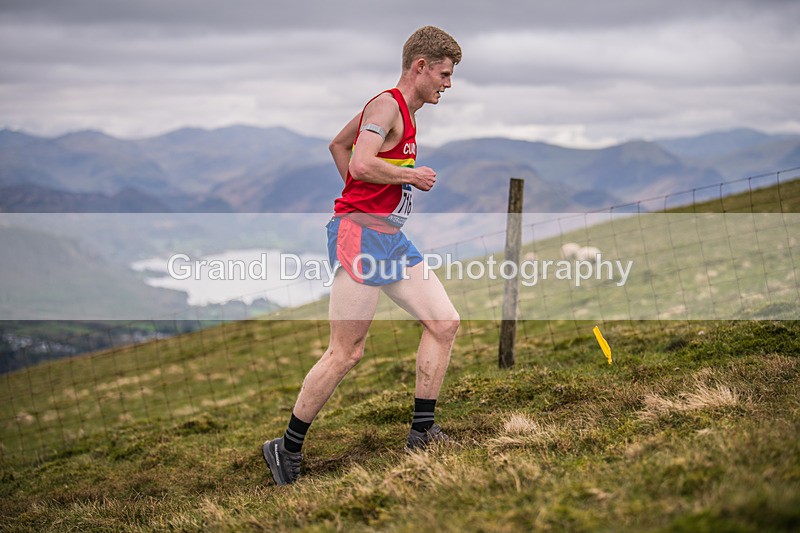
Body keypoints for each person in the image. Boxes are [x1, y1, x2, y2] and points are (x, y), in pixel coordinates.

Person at [263, 25, 462, 486]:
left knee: (444, 322)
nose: (447, 85)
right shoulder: (386, 105)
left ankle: (422, 432)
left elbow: (338, 145)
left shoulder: (405, 113)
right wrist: (404, 180)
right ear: (420, 67)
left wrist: (362, 195)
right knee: (346, 352)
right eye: (444, 75)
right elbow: (359, 161)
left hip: (389, 237)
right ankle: (286, 447)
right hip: (360, 239)